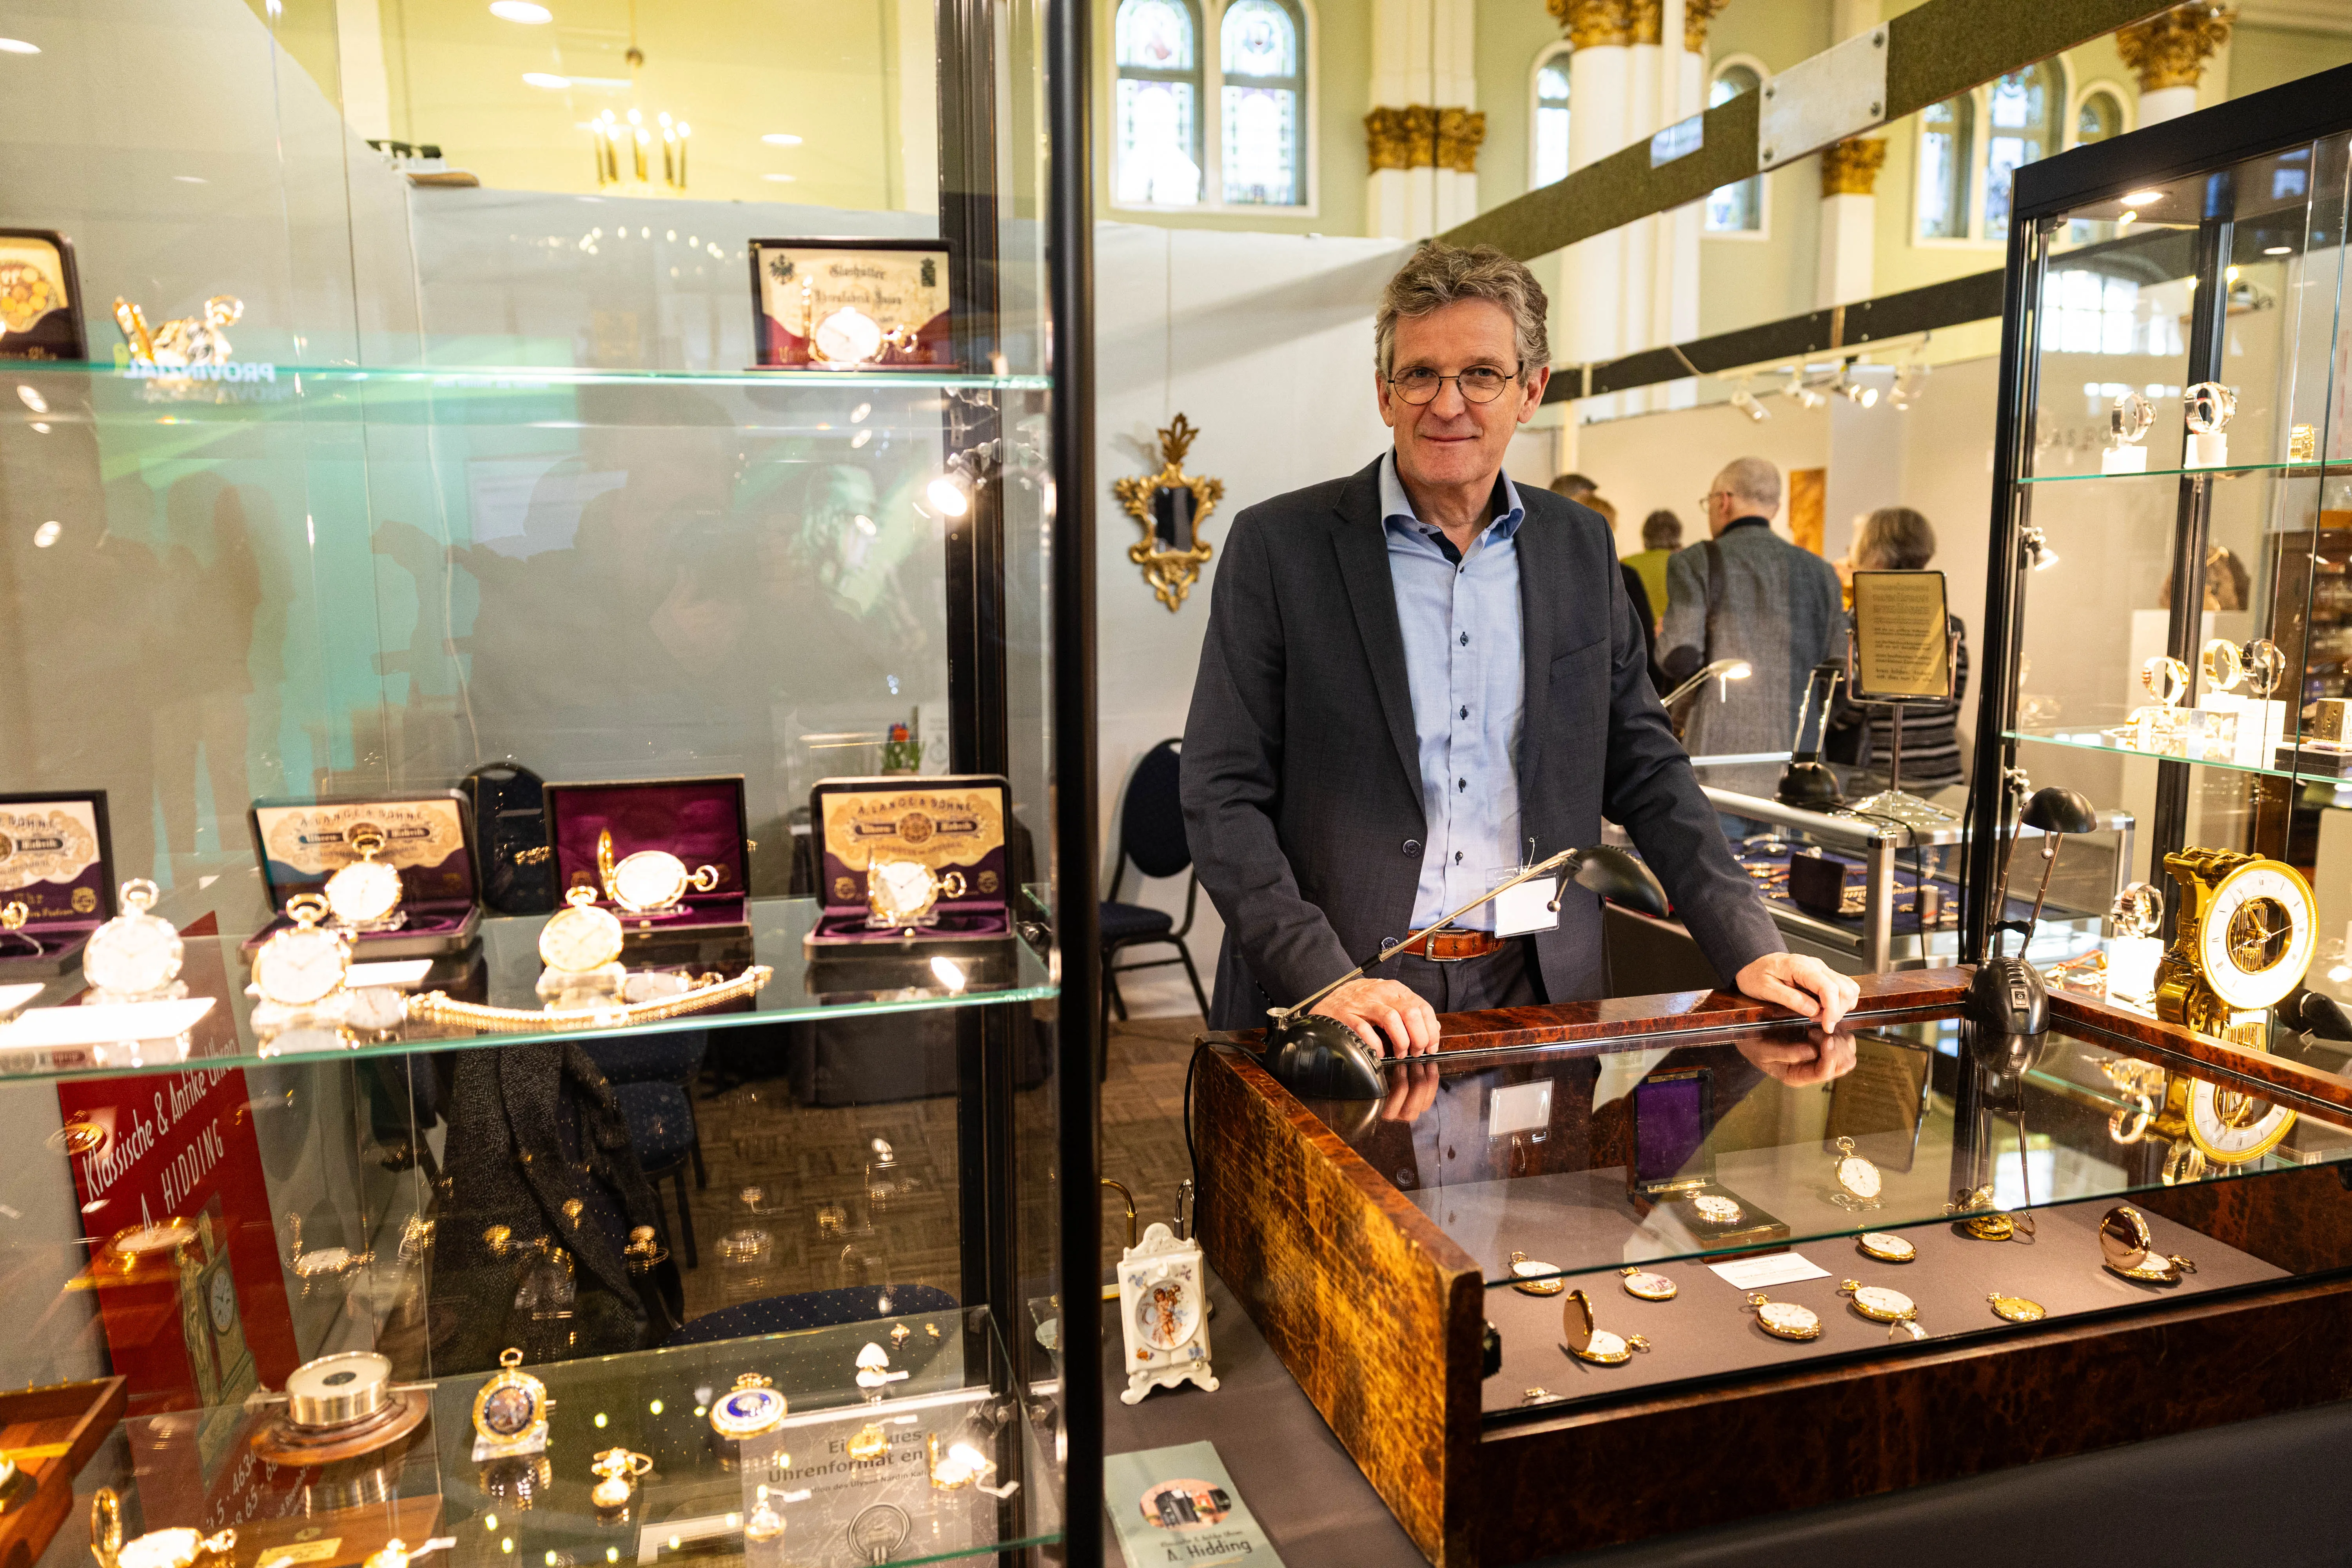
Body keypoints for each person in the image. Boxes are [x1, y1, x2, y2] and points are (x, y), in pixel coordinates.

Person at [1179, 242, 1856, 1059]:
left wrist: (1751, 942)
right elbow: (1221, 791)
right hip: (1342, 992)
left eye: (1481, 375)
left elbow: (1646, 765)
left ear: (1531, 389)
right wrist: (1323, 977)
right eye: (1419, 374)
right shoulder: (1280, 547)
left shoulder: (1580, 547)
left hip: (1537, 983)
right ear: (1384, 393)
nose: (1447, 404)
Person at [1660, 458, 1846, 794]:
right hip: (1800, 767)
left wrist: (1664, 638)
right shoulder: (1822, 573)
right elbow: (1840, 676)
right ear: (1775, 508)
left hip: (1716, 758)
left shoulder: (1695, 561)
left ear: (1723, 501)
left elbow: (1680, 656)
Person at [1828, 506, 1969, 789]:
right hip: (1943, 774)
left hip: (1881, 781)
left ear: (1875, 555)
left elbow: (1847, 711)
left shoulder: (1861, 623)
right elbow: (1952, 701)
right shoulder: (1952, 624)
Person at [1625, 509, 1682, 633]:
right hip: (1675, 638)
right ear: (1678, 535)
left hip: (1639, 640)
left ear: (1645, 536)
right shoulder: (1687, 563)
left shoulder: (1625, 565)